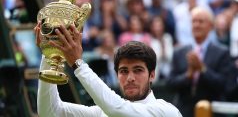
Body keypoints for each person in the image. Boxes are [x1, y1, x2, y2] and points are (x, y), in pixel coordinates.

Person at [35, 23, 182, 117]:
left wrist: (78, 64)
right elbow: (49, 111)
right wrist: (49, 54)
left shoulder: (166, 111)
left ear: (152, 75)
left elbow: (117, 110)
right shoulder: (101, 113)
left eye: (138, 70)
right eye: (124, 71)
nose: (130, 77)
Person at [167, 6, 233, 117]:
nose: (196, 25)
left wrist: (202, 69)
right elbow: (170, 84)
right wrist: (188, 75)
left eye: (201, 21)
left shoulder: (222, 52)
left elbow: (225, 86)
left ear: (211, 26)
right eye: (194, 21)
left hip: (212, 112)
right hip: (183, 112)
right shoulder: (179, 52)